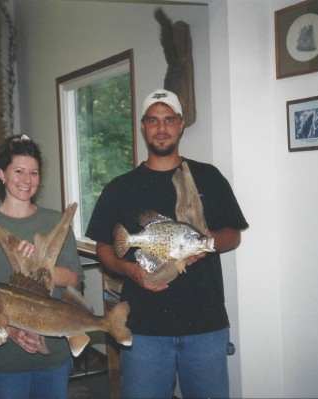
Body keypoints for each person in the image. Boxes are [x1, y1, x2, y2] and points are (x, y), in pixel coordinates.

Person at [86, 89, 249, 399]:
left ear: (181, 124)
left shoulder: (209, 177)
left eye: (169, 120)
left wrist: (203, 244)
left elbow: (234, 234)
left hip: (206, 324)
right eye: (153, 120)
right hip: (144, 328)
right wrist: (128, 270)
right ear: (143, 126)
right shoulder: (120, 188)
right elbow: (104, 248)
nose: (161, 129)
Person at [0, 134, 84, 399]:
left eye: (33, 173)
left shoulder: (56, 223)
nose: (27, 180)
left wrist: (41, 266)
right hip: (4, 360)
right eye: (19, 171)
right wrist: (10, 330)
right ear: (2, 174)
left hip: (53, 355)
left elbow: (73, 278)